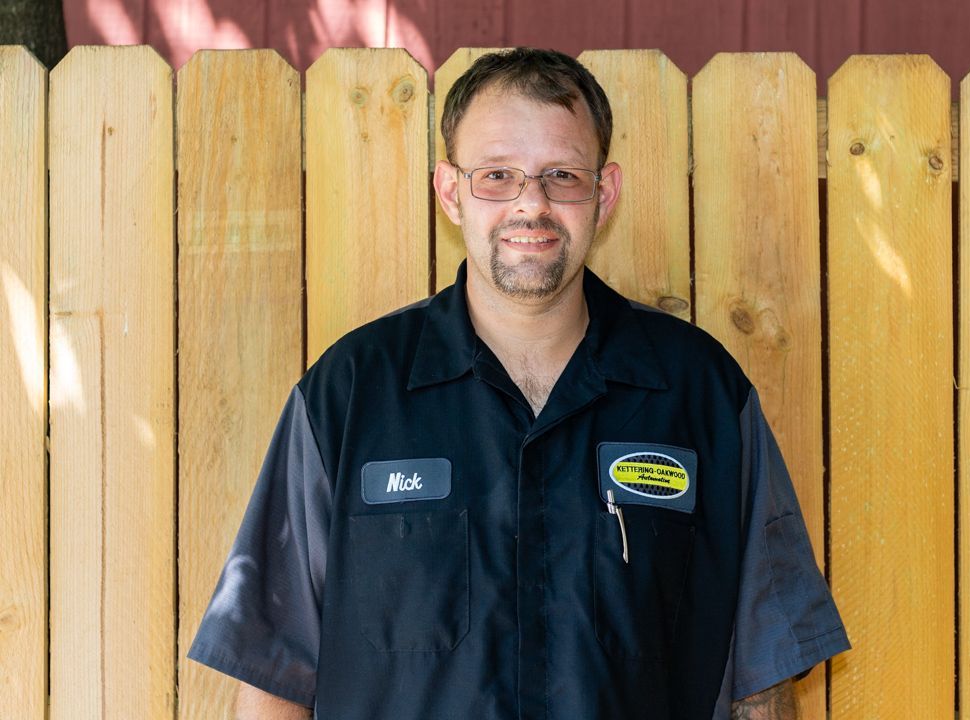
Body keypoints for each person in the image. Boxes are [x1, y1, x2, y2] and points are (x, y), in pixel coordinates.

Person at [189, 47, 850, 720]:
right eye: (497, 175)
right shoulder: (350, 394)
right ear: (451, 192)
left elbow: (762, 681)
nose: (531, 204)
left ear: (604, 192)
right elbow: (274, 676)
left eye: (562, 175)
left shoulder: (702, 395)